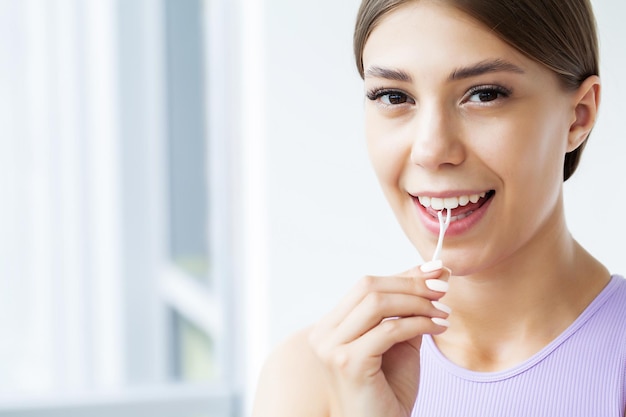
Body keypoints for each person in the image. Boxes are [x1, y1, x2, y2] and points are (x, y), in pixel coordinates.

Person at [251, 0, 626, 415]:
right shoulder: (310, 378)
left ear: (578, 115)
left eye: (484, 94)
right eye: (394, 96)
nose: (431, 151)